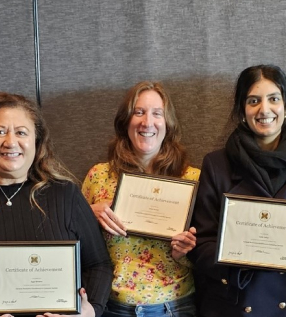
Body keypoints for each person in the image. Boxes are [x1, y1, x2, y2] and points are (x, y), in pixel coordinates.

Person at [0, 92, 113, 317]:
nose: (10, 141)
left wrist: (90, 310)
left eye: (21, 132)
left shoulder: (67, 195)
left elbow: (99, 264)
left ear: (36, 141)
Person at [188, 65, 286, 317]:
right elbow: (201, 244)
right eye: (253, 101)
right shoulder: (216, 165)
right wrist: (242, 259)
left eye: (274, 99)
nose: (264, 110)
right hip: (233, 301)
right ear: (242, 111)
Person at [81, 82, 200, 317]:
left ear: (168, 123)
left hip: (174, 307)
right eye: (139, 112)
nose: (147, 122)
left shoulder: (193, 179)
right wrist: (88, 215)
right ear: (126, 121)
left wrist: (186, 254)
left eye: (157, 114)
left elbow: (211, 254)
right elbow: (73, 246)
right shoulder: (99, 176)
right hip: (110, 308)